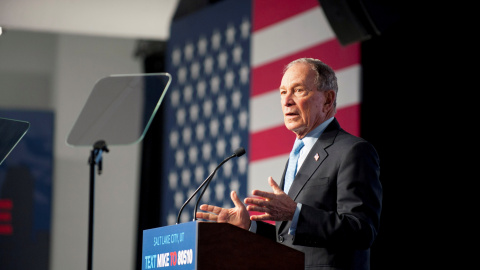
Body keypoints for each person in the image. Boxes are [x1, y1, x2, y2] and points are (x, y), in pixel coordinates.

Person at [196, 58, 382, 270]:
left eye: (299, 90)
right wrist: (249, 226)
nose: (287, 101)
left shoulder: (352, 151)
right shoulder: (298, 154)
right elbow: (289, 237)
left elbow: (362, 231)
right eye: (283, 92)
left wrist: (297, 214)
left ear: (328, 100)